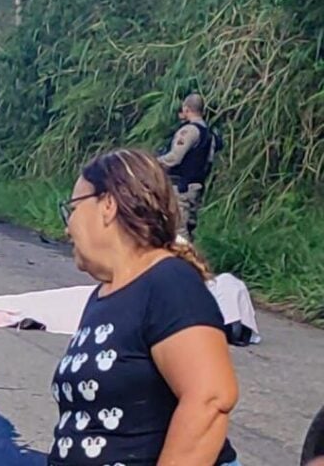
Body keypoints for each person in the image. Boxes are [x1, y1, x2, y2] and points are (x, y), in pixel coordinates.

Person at [51, 148, 238, 466]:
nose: (68, 227)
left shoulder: (169, 282)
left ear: (107, 205)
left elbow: (209, 397)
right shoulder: (105, 296)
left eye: (73, 208)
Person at [157, 93, 217, 241]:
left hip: (181, 187)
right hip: (196, 187)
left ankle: (184, 262)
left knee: (178, 231)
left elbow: (174, 158)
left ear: (186, 108)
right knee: (189, 229)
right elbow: (208, 161)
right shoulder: (210, 135)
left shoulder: (189, 131)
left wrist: (153, 162)